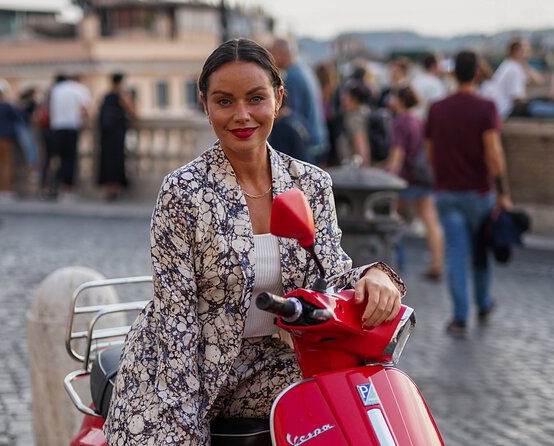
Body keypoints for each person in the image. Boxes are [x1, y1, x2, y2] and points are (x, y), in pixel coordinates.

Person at [104, 38, 405, 445]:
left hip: (276, 362)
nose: (241, 115)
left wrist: (375, 276)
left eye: (256, 98)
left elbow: (330, 276)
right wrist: (185, 428)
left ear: (279, 99)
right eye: (224, 101)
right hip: (185, 364)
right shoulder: (183, 191)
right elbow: (178, 318)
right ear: (205, 104)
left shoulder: (311, 183)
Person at [425, 50, 512, 338]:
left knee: (455, 253)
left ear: (452, 73)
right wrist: (503, 192)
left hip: (447, 191)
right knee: (480, 251)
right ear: (478, 73)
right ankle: (484, 303)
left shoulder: (437, 108)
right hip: (478, 191)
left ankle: (459, 317)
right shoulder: (486, 107)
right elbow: (494, 152)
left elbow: (430, 152)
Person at [383, 86, 444, 280]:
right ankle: (437, 263)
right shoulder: (418, 120)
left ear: (400, 100)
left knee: (390, 221)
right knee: (430, 221)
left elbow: (397, 155)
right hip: (423, 177)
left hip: (405, 180)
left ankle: (390, 264)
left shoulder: (400, 122)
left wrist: (388, 177)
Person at [270, 38, 329, 164]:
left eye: (272, 53)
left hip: (308, 143)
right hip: (318, 139)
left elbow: (291, 114)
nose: (271, 59)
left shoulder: (292, 76)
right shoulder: (304, 70)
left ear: (282, 54)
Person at [48, 73, 91, 197]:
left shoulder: (55, 90)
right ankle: (67, 186)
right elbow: (86, 107)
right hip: (71, 126)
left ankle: (55, 184)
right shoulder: (78, 89)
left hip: (56, 127)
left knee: (58, 157)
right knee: (70, 158)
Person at [97, 72, 136, 201]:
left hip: (106, 135)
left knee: (107, 161)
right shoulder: (122, 96)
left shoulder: (106, 96)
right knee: (117, 161)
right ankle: (115, 189)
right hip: (117, 134)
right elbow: (134, 112)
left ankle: (110, 189)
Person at [491, 37, 543, 119]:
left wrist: (524, 63)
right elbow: (516, 99)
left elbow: (537, 81)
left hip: (501, 109)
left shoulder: (510, 65)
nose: (528, 53)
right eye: (525, 50)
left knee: (539, 103)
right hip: (506, 111)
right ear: (515, 52)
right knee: (537, 106)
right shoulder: (514, 69)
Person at [0, 79, 22, 199]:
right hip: (6, 139)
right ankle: (5, 190)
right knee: (6, 165)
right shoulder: (8, 106)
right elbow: (20, 116)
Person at [338, 79, 372, 165]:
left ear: (354, 99)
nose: (342, 98)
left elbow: (362, 152)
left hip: (355, 170)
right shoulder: (365, 111)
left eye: (346, 95)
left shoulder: (354, 118)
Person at [411, 52, 448, 120]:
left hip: (415, 121)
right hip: (427, 122)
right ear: (433, 66)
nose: (441, 67)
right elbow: (439, 107)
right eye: (440, 64)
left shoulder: (415, 80)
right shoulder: (435, 83)